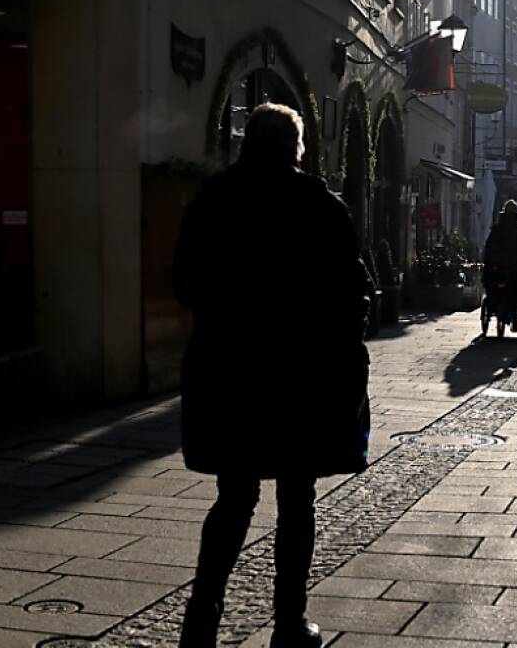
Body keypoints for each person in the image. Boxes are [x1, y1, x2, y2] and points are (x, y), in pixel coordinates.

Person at [174, 104, 373, 648]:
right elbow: (355, 297)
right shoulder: (319, 205)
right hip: (299, 381)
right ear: (296, 147)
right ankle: (288, 622)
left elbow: (184, 285)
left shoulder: (212, 200)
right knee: (296, 497)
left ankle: (201, 619)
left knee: (234, 497)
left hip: (229, 376)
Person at [482, 200, 517, 332]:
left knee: (491, 284)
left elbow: (489, 245)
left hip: (498, 266)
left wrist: (489, 259)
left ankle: (493, 304)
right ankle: (515, 320)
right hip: (516, 266)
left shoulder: (497, 227)